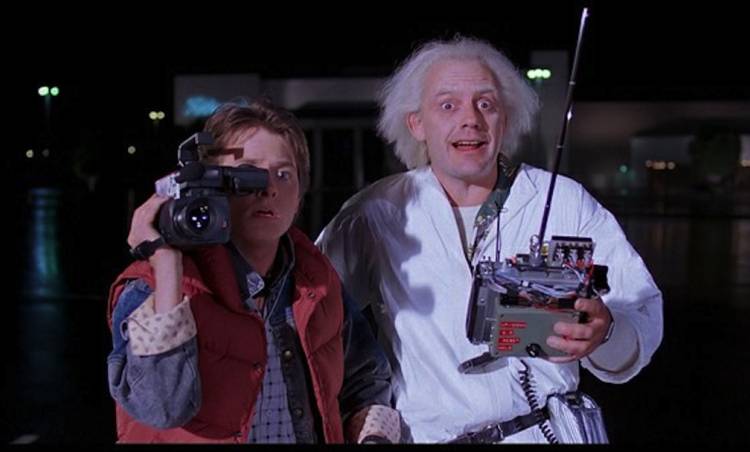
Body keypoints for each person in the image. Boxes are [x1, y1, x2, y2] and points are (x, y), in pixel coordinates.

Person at [316, 36, 663, 443]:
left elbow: (641, 314)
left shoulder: (564, 201)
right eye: (448, 105)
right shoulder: (375, 213)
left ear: (506, 119)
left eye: (486, 104)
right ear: (417, 123)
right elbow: (313, 313)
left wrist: (605, 332)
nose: (471, 119)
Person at [106, 99, 401, 444]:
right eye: (247, 174)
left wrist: (374, 435)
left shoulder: (318, 281)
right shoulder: (150, 289)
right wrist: (168, 266)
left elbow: (366, 380)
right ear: (207, 185)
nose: (269, 188)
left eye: (284, 174)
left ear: (299, 195)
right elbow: (160, 407)